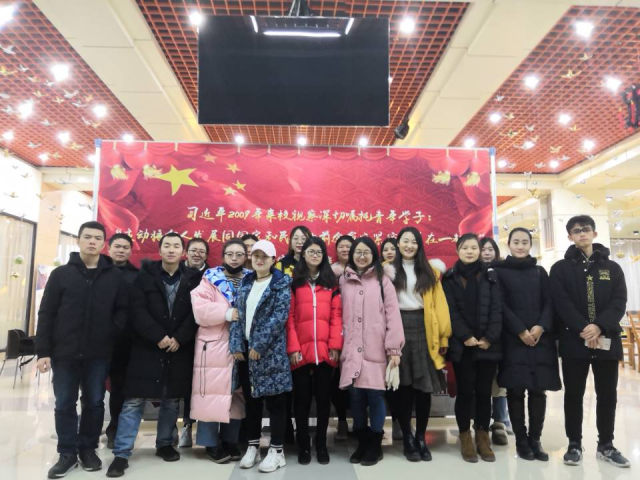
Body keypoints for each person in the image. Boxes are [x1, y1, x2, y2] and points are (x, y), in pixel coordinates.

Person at [36, 221, 128, 479]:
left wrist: (110, 332)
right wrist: (43, 351)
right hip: (64, 352)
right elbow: (47, 313)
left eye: (97, 238)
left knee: (95, 402)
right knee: (65, 403)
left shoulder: (115, 277)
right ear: (78, 240)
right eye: (87, 237)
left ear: (103, 243)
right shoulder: (61, 274)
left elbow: (122, 310)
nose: (92, 242)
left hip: (98, 353)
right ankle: (66, 453)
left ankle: (88, 449)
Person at [107, 233, 200, 477]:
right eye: (166, 245)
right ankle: (122, 452)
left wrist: (179, 338)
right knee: (134, 401)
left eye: (176, 246)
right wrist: (157, 336)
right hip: (146, 347)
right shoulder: (143, 277)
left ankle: (165, 444)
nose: (171, 250)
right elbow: (136, 311)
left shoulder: (193, 279)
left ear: (182, 252)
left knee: (171, 400)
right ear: (159, 251)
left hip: (178, 348)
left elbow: (196, 313)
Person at [550, 215, 629, 468]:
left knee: (608, 395)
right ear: (570, 237)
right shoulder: (560, 269)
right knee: (574, 394)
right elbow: (561, 302)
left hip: (607, 339)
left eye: (585, 229)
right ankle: (574, 444)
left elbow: (619, 301)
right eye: (576, 231)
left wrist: (599, 326)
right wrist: (584, 328)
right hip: (574, 341)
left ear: (594, 233)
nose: (581, 233)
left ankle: (606, 444)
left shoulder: (612, 268)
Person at [493, 228, 560, 461]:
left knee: (538, 390)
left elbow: (550, 302)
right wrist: (520, 330)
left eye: (524, 242)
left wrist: (541, 326)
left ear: (530, 245)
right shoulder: (499, 272)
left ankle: (535, 440)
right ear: (509, 245)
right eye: (516, 242)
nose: (520, 246)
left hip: (540, 339)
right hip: (513, 339)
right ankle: (521, 441)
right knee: (515, 390)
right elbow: (500, 304)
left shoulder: (540, 272)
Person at [339, 236, 404, 467]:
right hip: (351, 347)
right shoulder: (344, 280)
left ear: (374, 255)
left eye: (366, 252)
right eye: (358, 251)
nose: (362, 255)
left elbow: (393, 314)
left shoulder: (383, 280)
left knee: (375, 396)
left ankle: (375, 443)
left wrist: (394, 348)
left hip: (376, 346)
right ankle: (362, 441)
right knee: (356, 397)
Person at [229, 240, 293, 473]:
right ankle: (253, 446)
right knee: (252, 402)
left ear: (273, 259)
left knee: (276, 403)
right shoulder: (246, 282)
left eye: (264, 256)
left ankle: (277, 451)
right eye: (256, 256)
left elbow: (279, 317)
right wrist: (237, 344)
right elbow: (238, 315)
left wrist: (259, 344)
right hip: (247, 353)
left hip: (270, 353)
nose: (259, 260)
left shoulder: (281, 283)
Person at [392, 227, 451, 462]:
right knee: (403, 389)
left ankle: (420, 437)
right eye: (405, 241)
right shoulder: (388, 271)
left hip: (425, 328)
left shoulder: (430, 271)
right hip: (397, 327)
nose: (409, 245)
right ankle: (407, 437)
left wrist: (443, 337)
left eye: (414, 242)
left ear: (419, 246)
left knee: (424, 389)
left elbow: (440, 305)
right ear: (398, 244)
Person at [189, 239, 250, 463]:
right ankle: (210, 444)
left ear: (245, 257)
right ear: (223, 256)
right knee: (211, 394)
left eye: (239, 254)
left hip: (241, 346)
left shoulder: (251, 278)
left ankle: (230, 440)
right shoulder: (210, 278)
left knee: (236, 394)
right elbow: (199, 307)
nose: (234, 258)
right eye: (230, 254)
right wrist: (227, 313)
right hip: (214, 344)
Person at [442, 233, 502, 463]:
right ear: (457, 250)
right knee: (465, 391)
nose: (470, 251)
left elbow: (497, 309)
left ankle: (482, 436)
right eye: (465, 247)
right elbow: (450, 311)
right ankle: (465, 436)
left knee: (484, 392)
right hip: (463, 346)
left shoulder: (490, 276)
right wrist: (465, 336)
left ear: (480, 250)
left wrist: (489, 338)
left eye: (474, 247)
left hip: (488, 345)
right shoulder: (450, 278)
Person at [287, 237, 343, 465]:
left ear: (324, 256)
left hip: (324, 351)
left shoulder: (331, 283)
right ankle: (303, 444)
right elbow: (289, 318)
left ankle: (321, 444)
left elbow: (337, 317)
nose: (314, 255)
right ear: (303, 254)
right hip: (300, 351)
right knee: (301, 400)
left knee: (322, 399)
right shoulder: (294, 283)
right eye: (310, 251)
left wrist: (335, 346)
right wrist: (293, 347)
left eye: (319, 252)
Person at [105, 234, 140, 450]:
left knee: (119, 389)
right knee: (91, 391)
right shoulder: (98, 272)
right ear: (108, 248)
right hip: (96, 341)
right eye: (117, 246)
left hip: (125, 343)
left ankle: (115, 430)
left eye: (125, 247)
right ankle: (87, 433)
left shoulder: (137, 276)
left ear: (130, 251)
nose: (121, 251)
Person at [479, 236, 510, 446]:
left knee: (501, 380)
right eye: (484, 249)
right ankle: (479, 423)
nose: (487, 252)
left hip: (503, 333)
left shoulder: (504, 273)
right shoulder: (473, 273)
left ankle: (500, 421)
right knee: (481, 382)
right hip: (480, 337)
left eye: (491, 249)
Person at [178, 237, 210, 447]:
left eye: (202, 251)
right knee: (183, 384)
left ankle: (202, 429)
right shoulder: (176, 273)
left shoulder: (212, 276)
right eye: (193, 250)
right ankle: (183, 427)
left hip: (207, 338)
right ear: (186, 252)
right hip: (180, 338)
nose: (197, 254)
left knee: (203, 384)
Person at [328, 234, 353, 440]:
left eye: (348, 246)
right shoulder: (329, 273)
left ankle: (361, 423)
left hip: (357, 330)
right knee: (336, 379)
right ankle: (342, 420)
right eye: (341, 246)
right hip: (335, 329)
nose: (345, 249)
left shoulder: (365, 270)